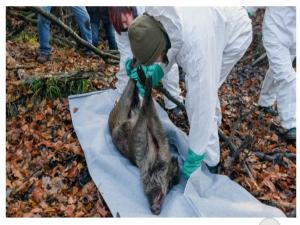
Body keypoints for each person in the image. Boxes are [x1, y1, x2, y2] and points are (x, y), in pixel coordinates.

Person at [126, 7, 252, 179]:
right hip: (211, 21)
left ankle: (209, 160)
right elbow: (171, 42)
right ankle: (209, 134)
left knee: (199, 98)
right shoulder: (160, 17)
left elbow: (203, 100)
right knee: (201, 91)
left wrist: (194, 155)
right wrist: (152, 72)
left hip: (235, 34)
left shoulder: (197, 48)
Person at [108, 7, 184, 116]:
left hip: (160, 39)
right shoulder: (121, 28)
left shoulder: (150, 10)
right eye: (121, 26)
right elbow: (126, 54)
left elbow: (171, 44)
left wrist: (159, 68)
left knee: (167, 61)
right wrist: (122, 93)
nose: (124, 27)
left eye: (125, 22)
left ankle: (173, 102)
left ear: (129, 10)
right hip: (142, 48)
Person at [258, 7, 296, 141]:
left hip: (294, 34)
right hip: (275, 30)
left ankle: (265, 102)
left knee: (278, 69)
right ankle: (292, 124)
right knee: (286, 76)